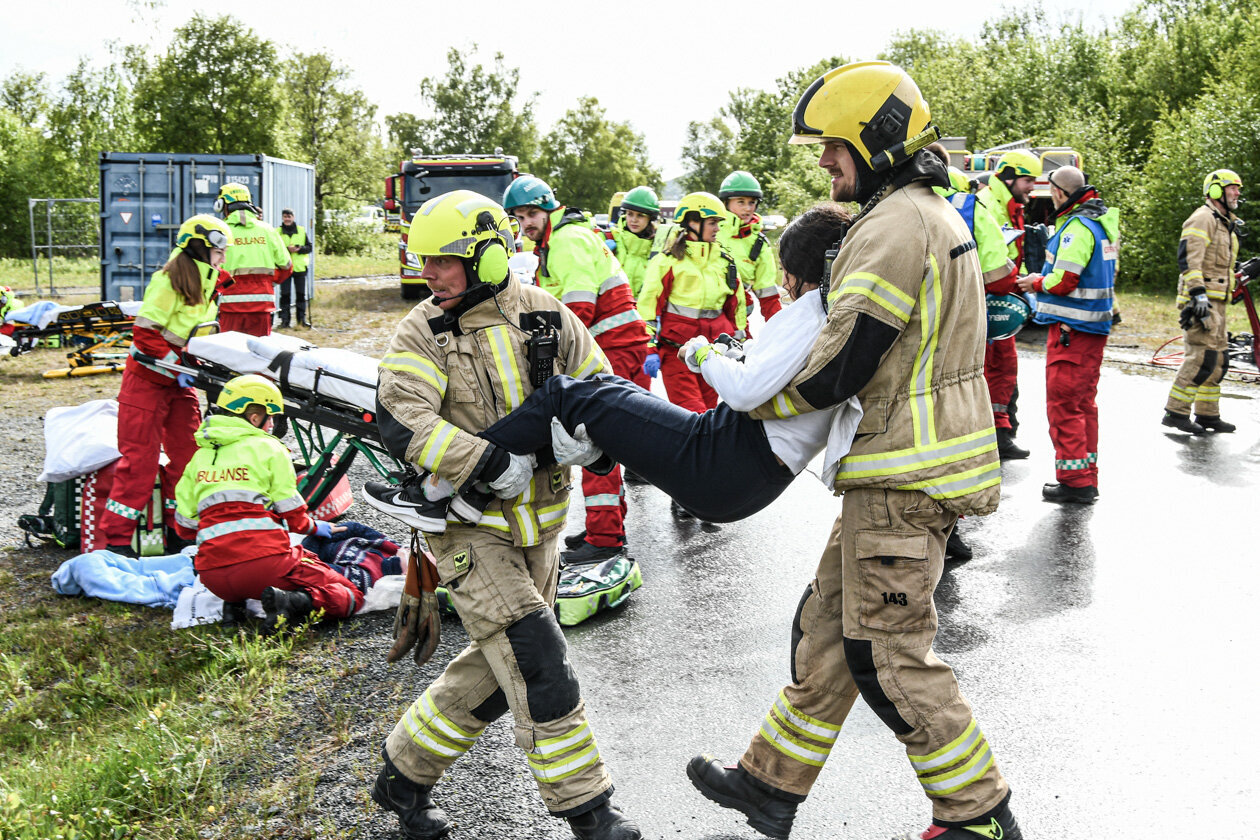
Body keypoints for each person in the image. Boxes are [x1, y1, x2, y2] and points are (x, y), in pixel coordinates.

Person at [687, 61, 1022, 840]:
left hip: (904, 473)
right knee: (833, 628)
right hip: (898, 470)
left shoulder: (893, 226)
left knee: (889, 653)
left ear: (874, 140)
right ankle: (770, 785)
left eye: (832, 145)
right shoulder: (920, 213)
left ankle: (979, 816)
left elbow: (843, 362)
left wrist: (752, 399)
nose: (823, 162)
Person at [367, 189, 640, 840]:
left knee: (497, 675)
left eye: (443, 260)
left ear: (489, 258)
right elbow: (401, 419)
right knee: (536, 659)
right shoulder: (423, 329)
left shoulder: (546, 316)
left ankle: (401, 774)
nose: (428, 271)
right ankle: (592, 813)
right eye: (423, 257)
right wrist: (483, 461)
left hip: (542, 529)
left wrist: (593, 440)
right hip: (471, 530)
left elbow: (601, 389)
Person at [364, 204, 858, 531]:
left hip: (726, 453)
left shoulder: (812, 310)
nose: (428, 272)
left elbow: (747, 393)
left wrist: (705, 354)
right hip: (746, 472)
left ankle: (435, 490)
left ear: (794, 270)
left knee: (567, 393)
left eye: (441, 260)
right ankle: (469, 494)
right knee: (592, 400)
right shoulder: (841, 317)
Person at [504, 175, 651, 564]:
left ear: (548, 208)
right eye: (518, 217)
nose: (526, 224)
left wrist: (551, 357)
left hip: (611, 347)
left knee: (590, 443)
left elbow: (577, 308)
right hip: (619, 345)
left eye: (531, 213)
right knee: (603, 443)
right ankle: (608, 526)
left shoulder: (566, 242)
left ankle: (605, 539)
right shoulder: (564, 237)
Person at [172, 374, 358, 629]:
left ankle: (233, 605)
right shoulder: (270, 448)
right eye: (271, 417)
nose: (272, 424)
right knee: (348, 594)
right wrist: (315, 527)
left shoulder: (199, 458)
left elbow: (183, 527)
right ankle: (292, 602)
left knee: (238, 574)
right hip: (265, 565)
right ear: (255, 417)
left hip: (212, 576)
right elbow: (293, 515)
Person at [97, 214, 228, 555]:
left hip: (176, 381)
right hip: (146, 382)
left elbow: (190, 336)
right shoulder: (168, 281)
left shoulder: (210, 281)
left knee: (189, 458)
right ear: (200, 247)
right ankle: (116, 541)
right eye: (218, 250)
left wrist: (194, 365)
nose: (223, 257)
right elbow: (145, 335)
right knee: (139, 462)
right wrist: (177, 367)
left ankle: (177, 531)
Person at [1016, 165, 1118, 504]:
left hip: (1071, 333)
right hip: (1090, 332)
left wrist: (1035, 282)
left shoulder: (1076, 228)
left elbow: (1063, 280)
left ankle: (1075, 483)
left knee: (1064, 406)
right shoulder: (1099, 223)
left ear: (1060, 193)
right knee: (1084, 405)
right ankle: (1087, 475)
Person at [1161, 168, 1244, 434]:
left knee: (1218, 359)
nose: (1237, 192)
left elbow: (1218, 264)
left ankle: (1208, 415)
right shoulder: (1202, 218)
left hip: (1217, 302)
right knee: (1200, 358)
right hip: (1202, 302)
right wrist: (1197, 295)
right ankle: (1176, 412)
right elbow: (1189, 259)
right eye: (1232, 187)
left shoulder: (1224, 222)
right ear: (1216, 190)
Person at [977, 149, 1043, 459]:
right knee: (995, 367)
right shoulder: (991, 204)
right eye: (1028, 180)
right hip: (990, 296)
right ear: (1009, 176)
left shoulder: (1009, 204)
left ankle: (1001, 430)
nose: (1032, 187)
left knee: (1004, 367)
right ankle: (994, 434)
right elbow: (991, 258)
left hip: (1002, 293)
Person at [216, 182, 292, 336]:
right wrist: (267, 282)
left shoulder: (220, 231)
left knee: (228, 355)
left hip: (230, 308)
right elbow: (287, 266)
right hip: (261, 307)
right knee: (259, 356)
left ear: (223, 205)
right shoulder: (267, 230)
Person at [718, 170, 783, 321]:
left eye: (752, 202)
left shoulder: (759, 244)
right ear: (726, 203)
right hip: (701, 318)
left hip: (736, 318)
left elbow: (768, 294)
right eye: (741, 201)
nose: (747, 208)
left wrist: (780, 329)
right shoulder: (710, 231)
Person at [609, 186, 672, 299]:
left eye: (640, 215)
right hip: (613, 312)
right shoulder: (611, 238)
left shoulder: (660, 247)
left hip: (643, 314)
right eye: (630, 214)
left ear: (650, 218)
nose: (634, 220)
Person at [277, 208, 313, 329]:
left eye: (289, 217)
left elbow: (309, 247)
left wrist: (299, 249)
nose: (287, 219)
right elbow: (275, 249)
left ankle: (301, 320)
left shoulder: (301, 231)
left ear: (293, 217)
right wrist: (287, 249)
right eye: (285, 217)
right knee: (285, 295)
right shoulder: (278, 232)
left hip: (299, 267)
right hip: (285, 268)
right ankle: (285, 321)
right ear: (282, 218)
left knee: (300, 295)